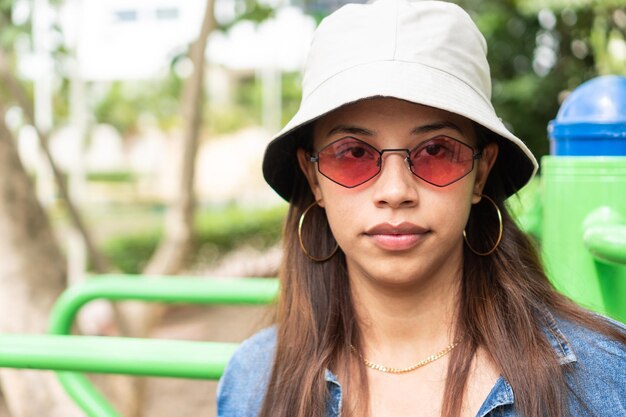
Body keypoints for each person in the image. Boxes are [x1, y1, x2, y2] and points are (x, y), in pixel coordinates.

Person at [216, 0, 626, 416]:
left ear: (481, 173)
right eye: (353, 153)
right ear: (313, 175)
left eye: (436, 150)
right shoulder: (253, 381)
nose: (395, 191)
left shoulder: (605, 377)